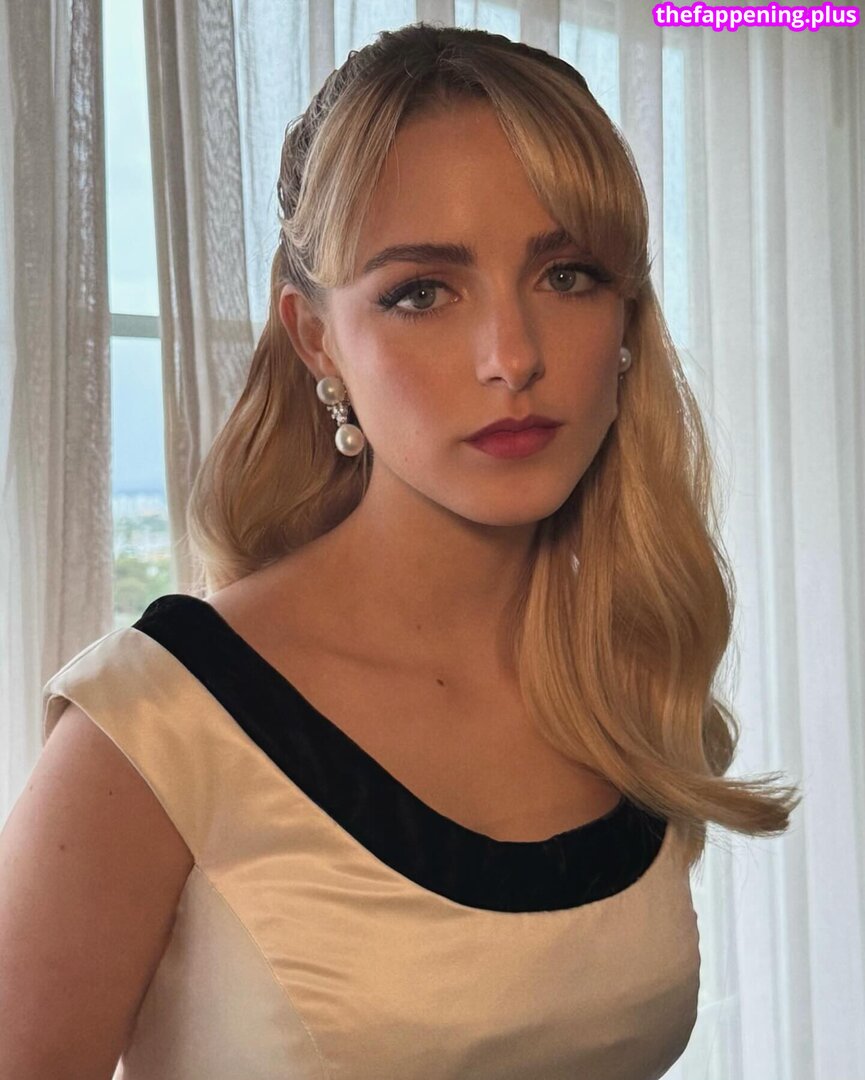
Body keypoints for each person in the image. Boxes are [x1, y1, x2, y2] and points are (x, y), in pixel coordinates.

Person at [0, 22, 801, 1079]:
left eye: (565, 275)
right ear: (317, 339)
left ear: (624, 319)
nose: (510, 357)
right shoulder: (154, 728)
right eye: (421, 292)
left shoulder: (624, 677)